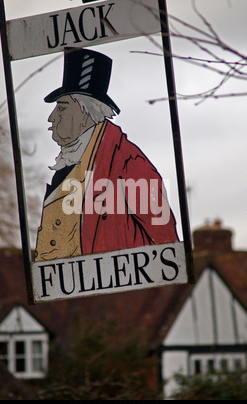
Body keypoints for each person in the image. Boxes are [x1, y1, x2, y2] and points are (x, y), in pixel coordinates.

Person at [35, 48, 178, 262]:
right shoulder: (68, 162)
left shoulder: (129, 163)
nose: (51, 117)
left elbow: (166, 247)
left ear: (85, 112)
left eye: (62, 108)